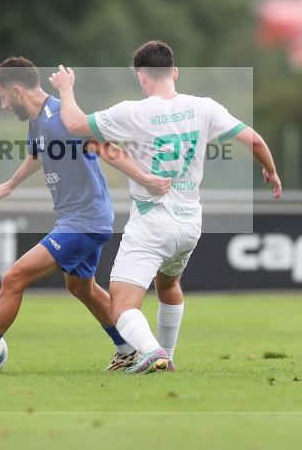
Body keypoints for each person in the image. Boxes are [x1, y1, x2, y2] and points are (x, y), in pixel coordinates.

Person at [49, 40, 282, 373]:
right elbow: (255, 141)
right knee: (169, 285)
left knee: (121, 304)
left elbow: (74, 125)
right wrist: (271, 171)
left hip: (152, 222)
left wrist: (66, 89)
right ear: (174, 72)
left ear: (142, 78)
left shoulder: (134, 112)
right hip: (189, 223)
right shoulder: (204, 107)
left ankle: (152, 351)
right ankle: (167, 355)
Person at [0, 57, 171, 373]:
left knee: (13, 277)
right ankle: (127, 349)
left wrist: (146, 179)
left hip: (84, 220)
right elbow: (37, 155)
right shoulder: (37, 121)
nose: (3, 105)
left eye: (2, 96)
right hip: (79, 219)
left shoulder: (59, 116)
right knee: (81, 288)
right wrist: (10, 184)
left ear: (17, 90)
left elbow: (104, 147)